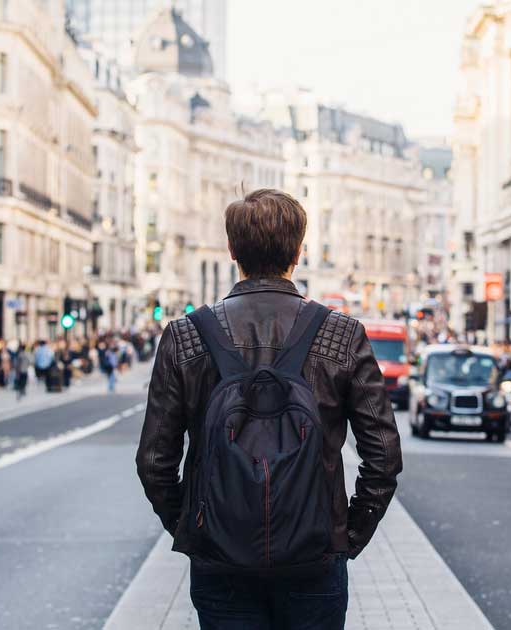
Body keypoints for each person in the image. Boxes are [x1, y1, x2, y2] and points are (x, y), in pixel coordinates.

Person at [136, 189, 401, 628]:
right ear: (299, 251)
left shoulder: (185, 335)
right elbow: (384, 455)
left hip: (221, 559)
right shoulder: (343, 334)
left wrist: (195, 528)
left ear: (231, 250)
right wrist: (346, 534)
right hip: (315, 555)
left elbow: (154, 461)